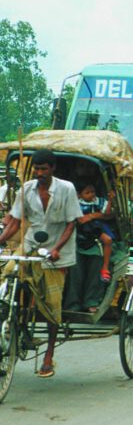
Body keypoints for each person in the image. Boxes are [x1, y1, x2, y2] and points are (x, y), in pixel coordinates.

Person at [0, 150, 83, 378]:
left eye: (44, 168)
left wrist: (57, 249)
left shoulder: (66, 189)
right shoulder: (26, 189)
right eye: (36, 168)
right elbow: (16, 222)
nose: (39, 172)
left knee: (51, 305)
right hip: (30, 244)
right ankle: (13, 318)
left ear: (53, 168)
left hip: (57, 250)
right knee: (7, 276)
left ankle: (48, 356)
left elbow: (71, 223)